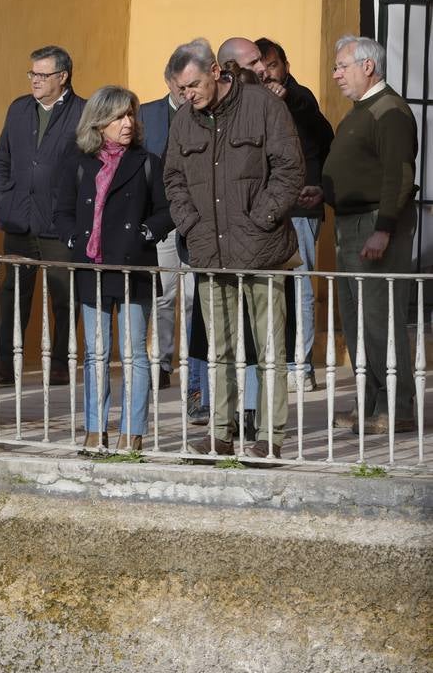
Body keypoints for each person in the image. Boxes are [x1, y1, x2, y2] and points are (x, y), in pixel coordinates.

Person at [162, 38, 304, 458]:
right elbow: (173, 179)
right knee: (218, 348)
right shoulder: (185, 121)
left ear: (216, 73)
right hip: (209, 251)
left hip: (262, 248)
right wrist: (190, 224)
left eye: (191, 86)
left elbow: (289, 169)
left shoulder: (263, 107)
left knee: (269, 348)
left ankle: (270, 436)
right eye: (180, 90)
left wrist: (261, 218)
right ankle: (221, 432)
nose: (186, 97)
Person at [55, 87, 174, 452]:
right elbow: (61, 210)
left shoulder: (147, 161)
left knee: (135, 352)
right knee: (96, 353)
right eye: (119, 116)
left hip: (133, 265)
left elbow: (166, 211)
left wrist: (144, 233)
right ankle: (95, 429)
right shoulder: (78, 161)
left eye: (131, 116)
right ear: (99, 121)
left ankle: (132, 432)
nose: (128, 123)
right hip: (93, 266)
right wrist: (77, 240)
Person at [319, 35, 417, 434]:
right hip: (351, 222)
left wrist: (384, 229)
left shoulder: (389, 110)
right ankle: (370, 402)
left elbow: (399, 176)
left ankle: (397, 408)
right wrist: (322, 191)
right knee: (358, 320)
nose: (336, 74)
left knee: (380, 320)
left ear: (368, 67)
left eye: (342, 66)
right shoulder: (361, 110)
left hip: (374, 225)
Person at [0, 46, 86, 386]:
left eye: (43, 75)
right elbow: (2, 158)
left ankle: (61, 360)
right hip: (19, 219)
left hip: (59, 223)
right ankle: (5, 361)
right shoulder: (19, 109)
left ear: (63, 77)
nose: (35, 81)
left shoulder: (83, 112)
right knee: (13, 293)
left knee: (64, 294)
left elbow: (89, 166)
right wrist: (3, 200)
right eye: (32, 74)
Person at [256, 36, 334, 391]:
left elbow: (321, 128)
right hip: (269, 205)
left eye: (273, 65)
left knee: (300, 285)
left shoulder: (299, 97)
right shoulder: (252, 101)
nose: (267, 73)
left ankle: (301, 366)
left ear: (285, 66)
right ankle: (276, 361)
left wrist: (288, 97)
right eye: (261, 66)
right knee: (271, 287)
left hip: (301, 206)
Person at [137, 65, 192, 394]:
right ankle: (161, 362)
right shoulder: (147, 113)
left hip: (198, 216)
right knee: (164, 294)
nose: (183, 90)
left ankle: (195, 366)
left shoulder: (205, 109)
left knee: (193, 297)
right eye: (178, 82)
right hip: (163, 217)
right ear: (168, 80)